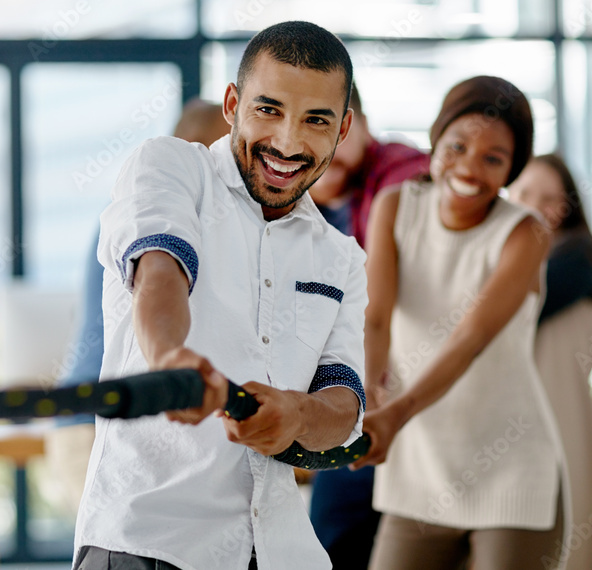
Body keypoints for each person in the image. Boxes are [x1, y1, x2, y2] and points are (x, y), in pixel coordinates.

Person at [73, 21, 368, 570]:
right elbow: (161, 268)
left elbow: (345, 403)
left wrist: (299, 415)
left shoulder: (343, 257)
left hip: (281, 553)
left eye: (316, 120)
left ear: (343, 127)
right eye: (268, 110)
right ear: (233, 103)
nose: (287, 141)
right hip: (148, 544)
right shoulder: (171, 166)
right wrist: (170, 361)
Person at [351, 76, 566, 570]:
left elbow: (469, 338)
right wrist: (365, 394)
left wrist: (395, 414)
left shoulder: (524, 232)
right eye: (458, 146)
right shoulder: (396, 206)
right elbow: (376, 316)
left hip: (512, 472)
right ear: (435, 138)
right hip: (418, 471)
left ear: (512, 168)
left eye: (493, 158)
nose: (470, 166)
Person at [45, 99, 231, 515]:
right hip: (94, 423)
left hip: (115, 415)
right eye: (216, 150)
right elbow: (161, 283)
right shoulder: (151, 212)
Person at [306, 81, 429, 569]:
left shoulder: (399, 179)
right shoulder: (311, 202)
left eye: (338, 132)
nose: (328, 152)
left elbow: (376, 310)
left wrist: (368, 389)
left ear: (360, 126)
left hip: (391, 387)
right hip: (349, 387)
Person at [508, 154, 592, 569]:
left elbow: (517, 307)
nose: (535, 206)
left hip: (566, 432)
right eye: (525, 193)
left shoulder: (581, 258)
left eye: (550, 198)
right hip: (515, 434)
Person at [307, 81, 430, 247]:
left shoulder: (398, 169)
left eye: (336, 131)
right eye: (303, 133)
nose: (322, 151)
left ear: (364, 126)